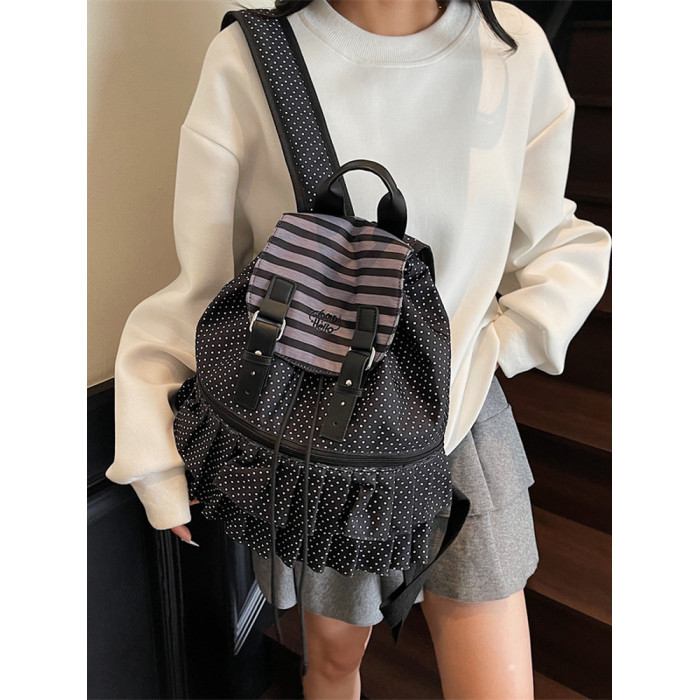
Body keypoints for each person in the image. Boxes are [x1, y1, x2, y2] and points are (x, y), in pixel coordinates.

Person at [105, 0, 612, 698]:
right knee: (334, 662)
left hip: (460, 409)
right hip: (321, 427)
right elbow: (208, 284)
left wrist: (496, 342)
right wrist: (157, 455)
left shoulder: (513, 48)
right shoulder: (253, 58)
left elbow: (557, 241)